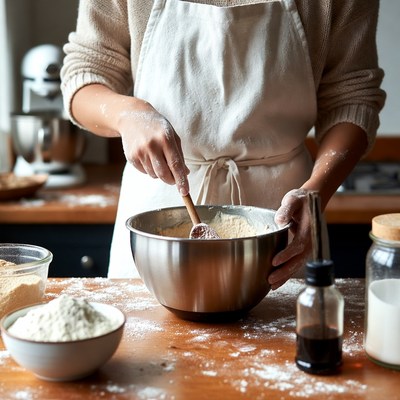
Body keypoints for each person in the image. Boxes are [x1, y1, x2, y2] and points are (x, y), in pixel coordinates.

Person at [61, 0, 385, 290]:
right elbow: (86, 73)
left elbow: (352, 97)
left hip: (282, 216)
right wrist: (127, 114)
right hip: (158, 203)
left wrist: (317, 192)